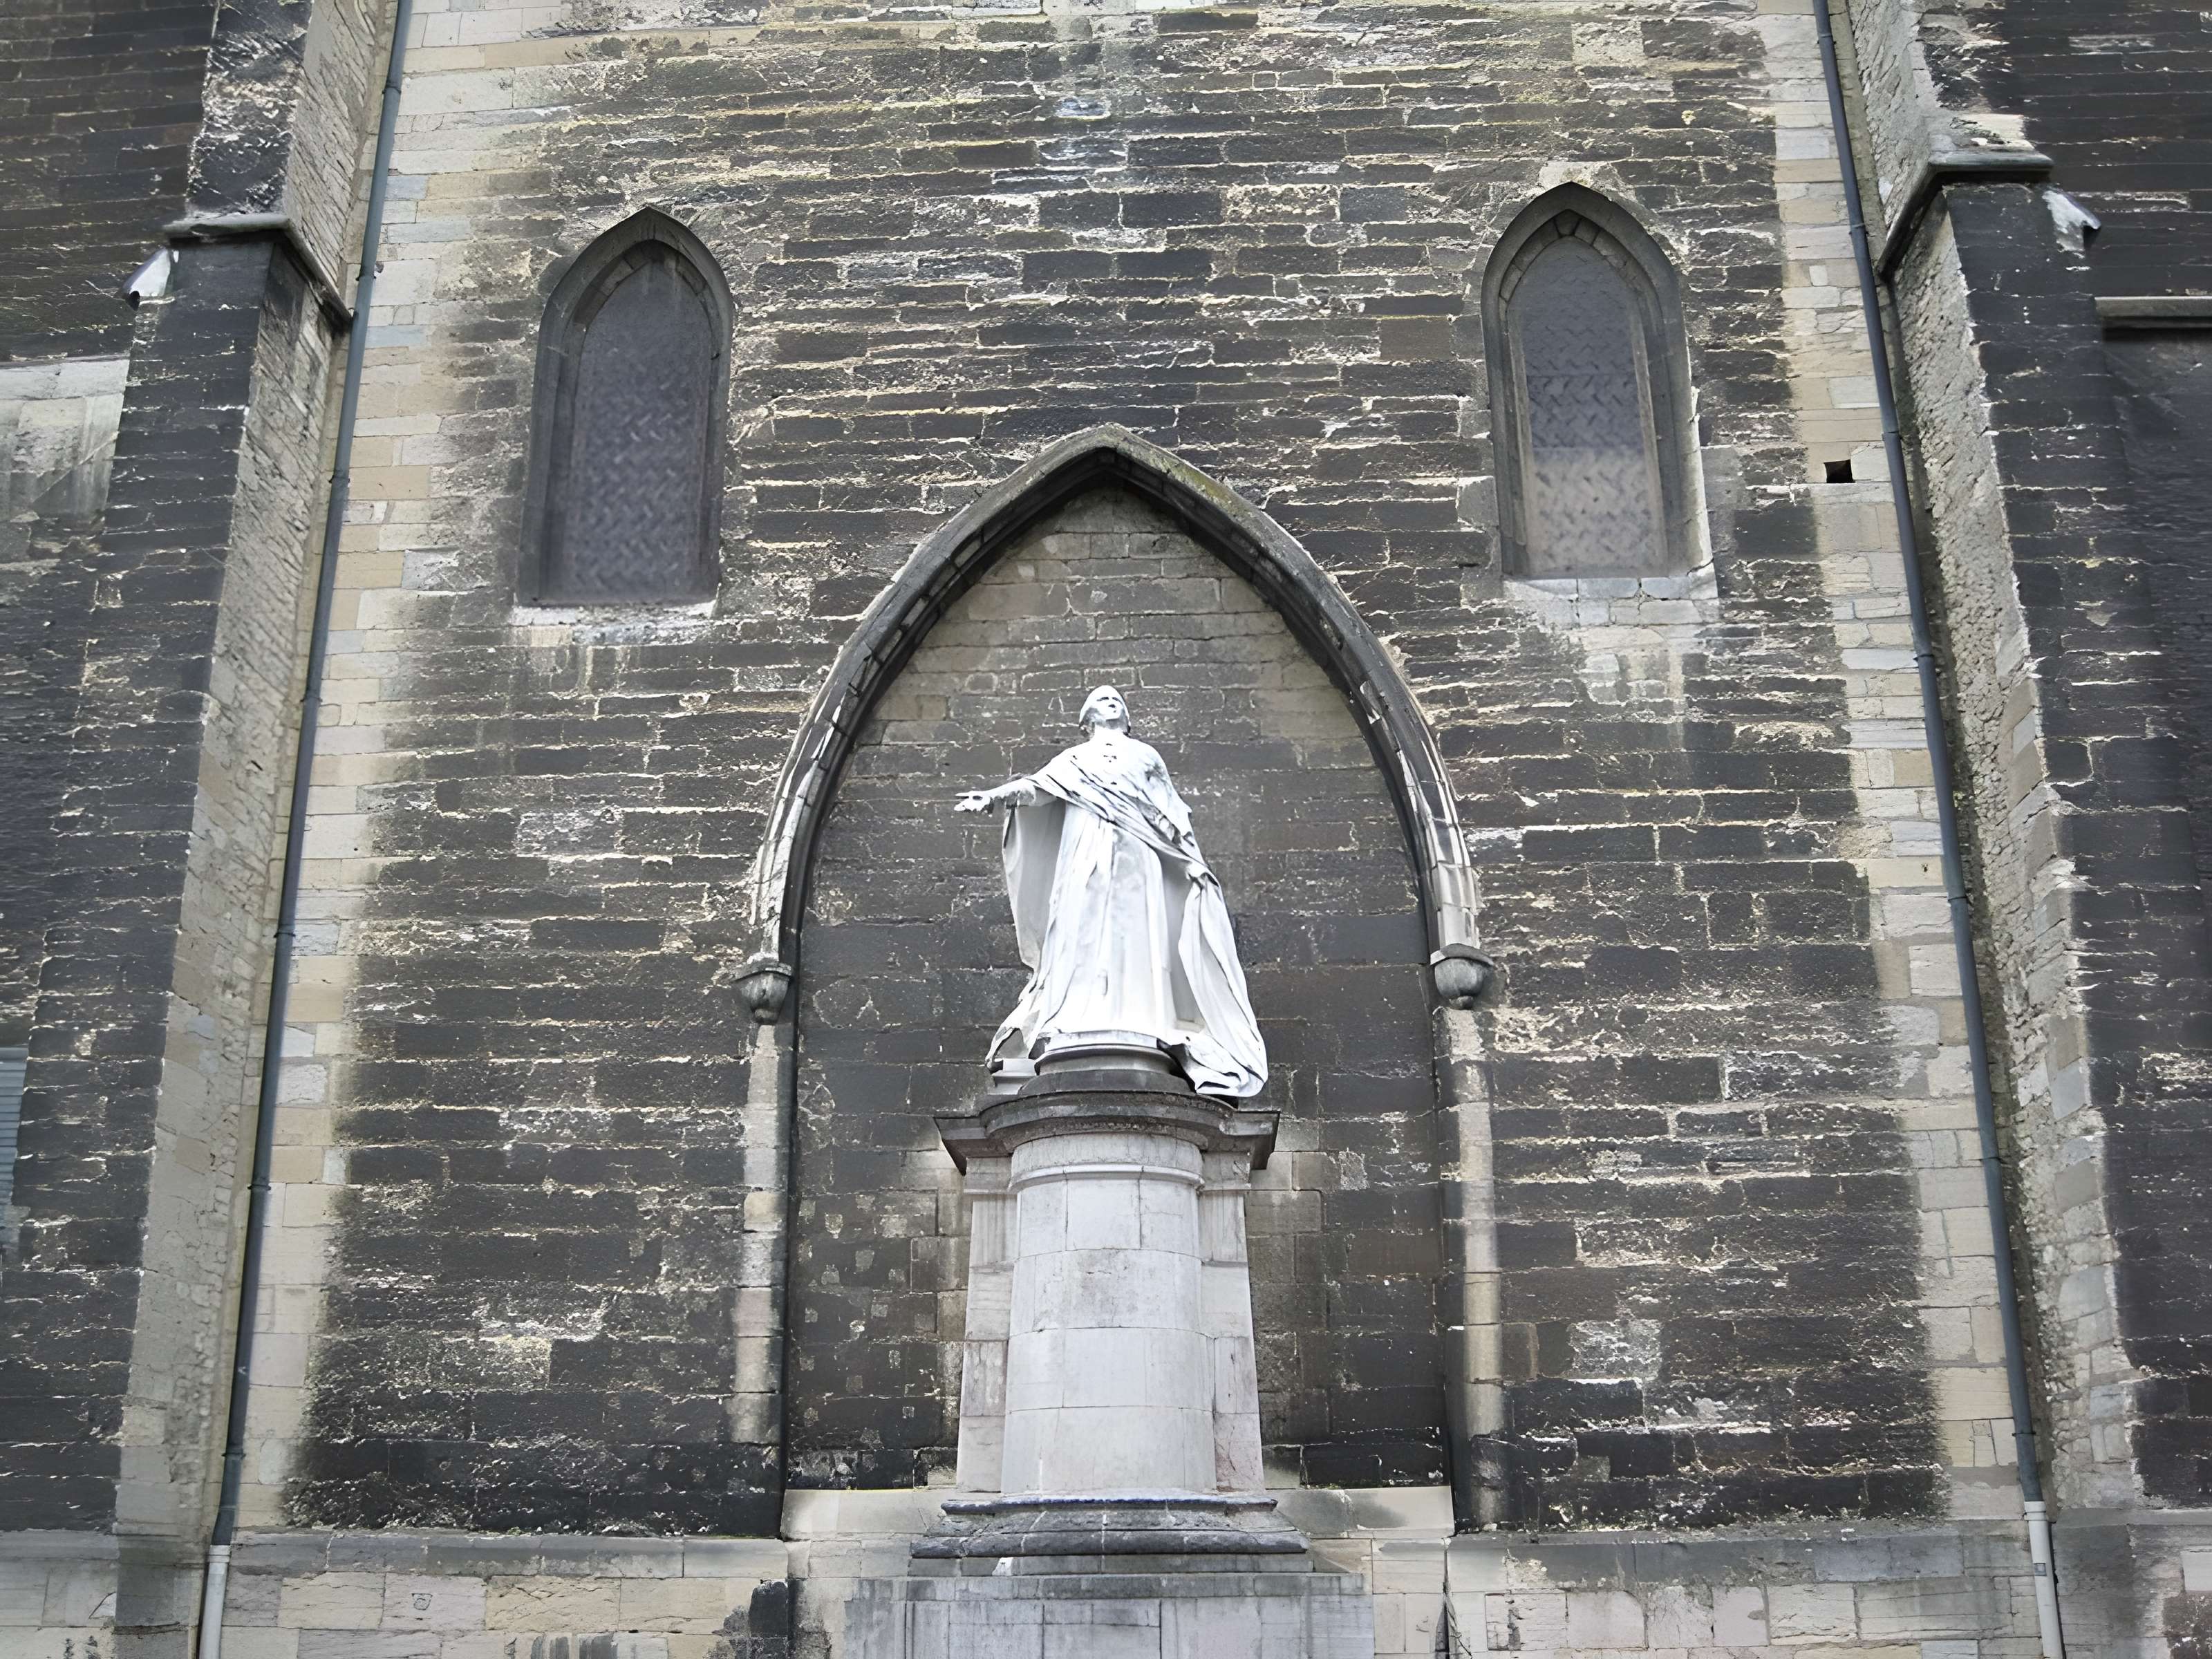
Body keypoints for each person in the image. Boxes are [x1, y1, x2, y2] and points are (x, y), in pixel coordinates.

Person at [955, 686, 1267, 1098]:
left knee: (1136, 931)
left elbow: (1169, 810)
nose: (1111, 702)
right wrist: (994, 797)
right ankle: (1076, 1018)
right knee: (1079, 927)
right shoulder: (1074, 759)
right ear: (1086, 720)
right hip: (1084, 850)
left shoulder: (1145, 755)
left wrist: (1189, 859)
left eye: (1117, 699)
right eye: (1102, 700)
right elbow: (1037, 788)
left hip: (1139, 851)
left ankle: (1142, 1018)